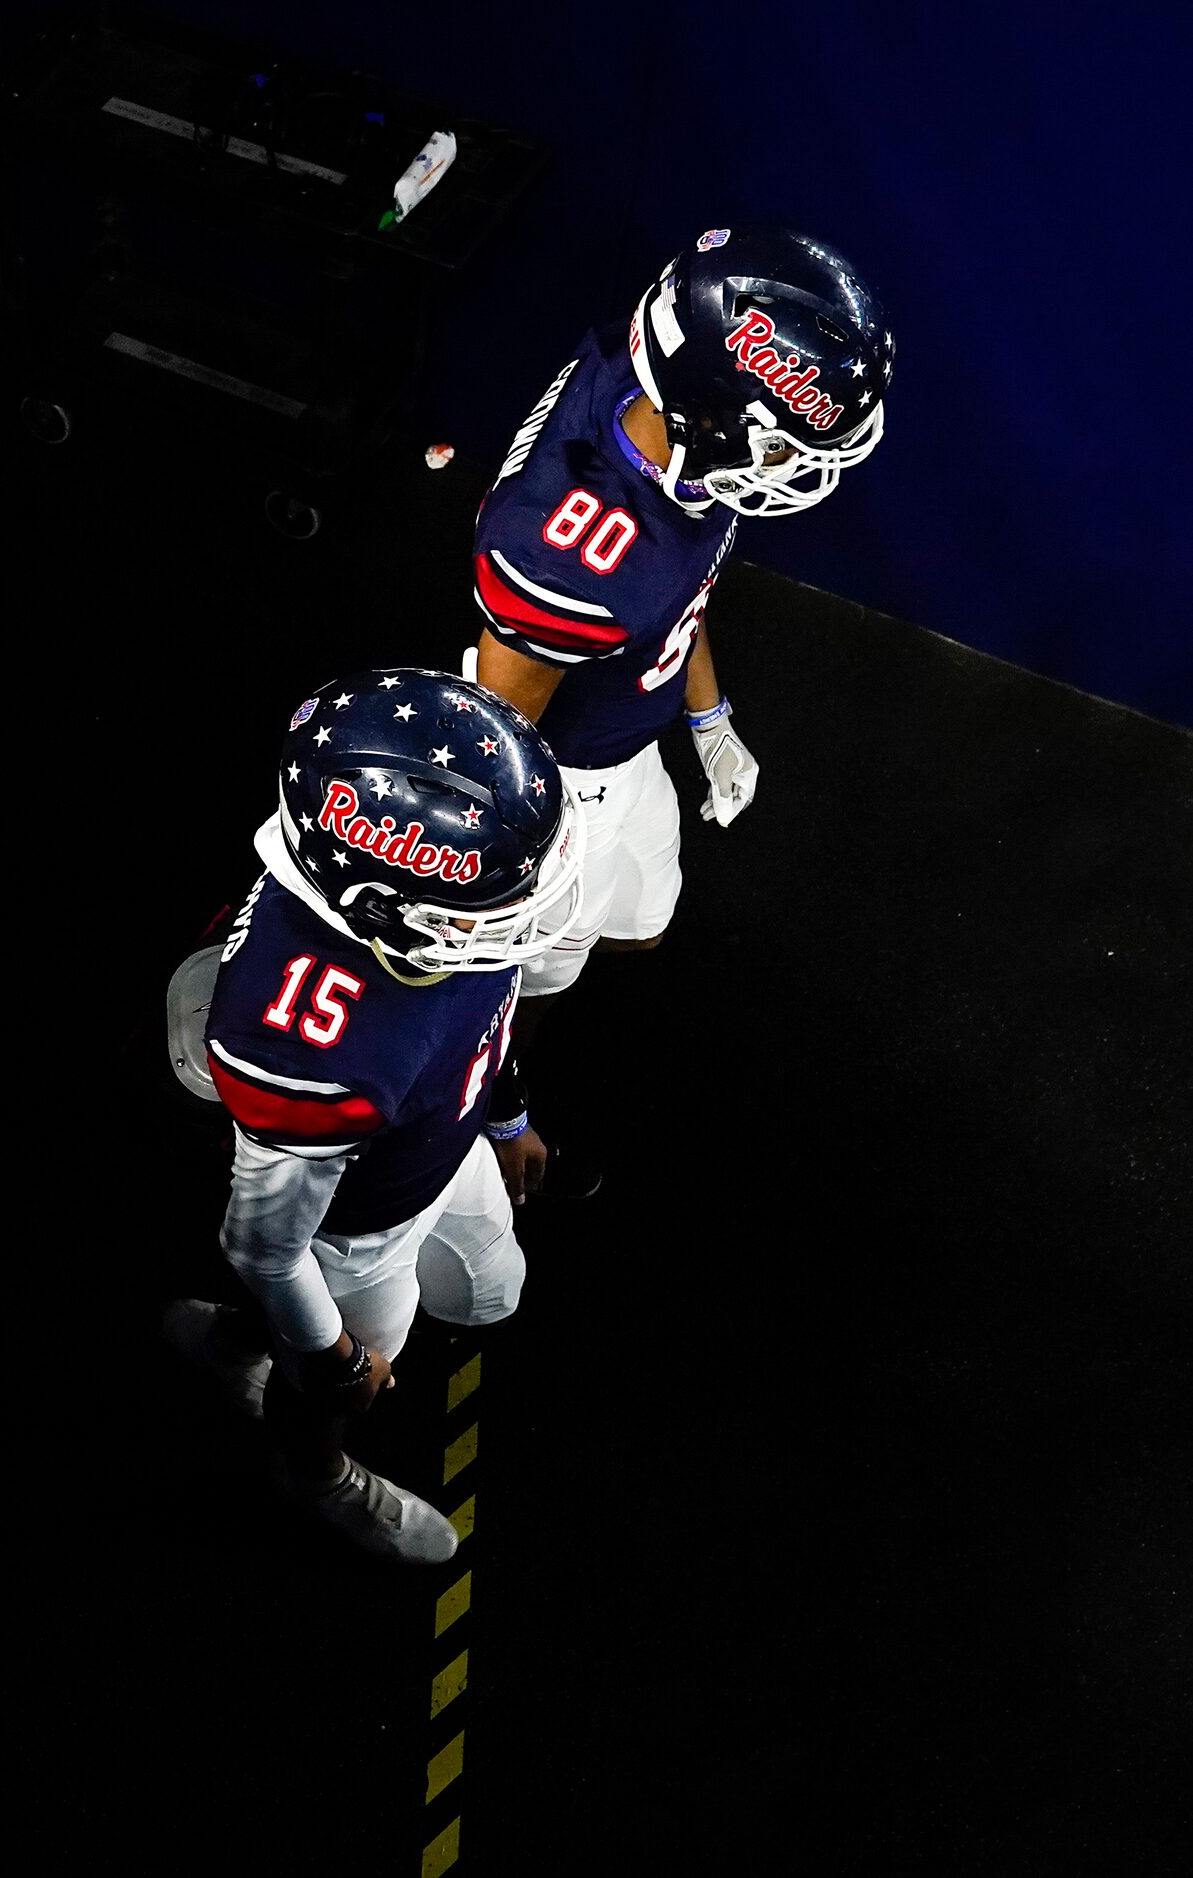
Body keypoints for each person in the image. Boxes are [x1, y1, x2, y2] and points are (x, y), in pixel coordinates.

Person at [464, 227, 892, 1200]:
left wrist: (709, 718)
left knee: (641, 929)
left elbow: (680, 581)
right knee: (530, 974)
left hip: (634, 736)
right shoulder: (568, 556)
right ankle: (490, 1124)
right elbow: (492, 754)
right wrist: (502, 1093)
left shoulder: (659, 395)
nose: (791, 463)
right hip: (560, 782)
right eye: (781, 440)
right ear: (719, 413)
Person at [161, 667, 580, 1563]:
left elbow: (481, 1009)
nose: (523, 902)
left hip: (440, 1141)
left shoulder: (426, 904)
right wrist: (333, 1357)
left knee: (488, 1291)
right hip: (357, 1230)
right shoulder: (307, 1045)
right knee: (329, 1390)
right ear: (390, 905)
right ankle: (312, 1472)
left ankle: (237, 1339)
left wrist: (503, 1115)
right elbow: (263, 1243)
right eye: (500, 893)